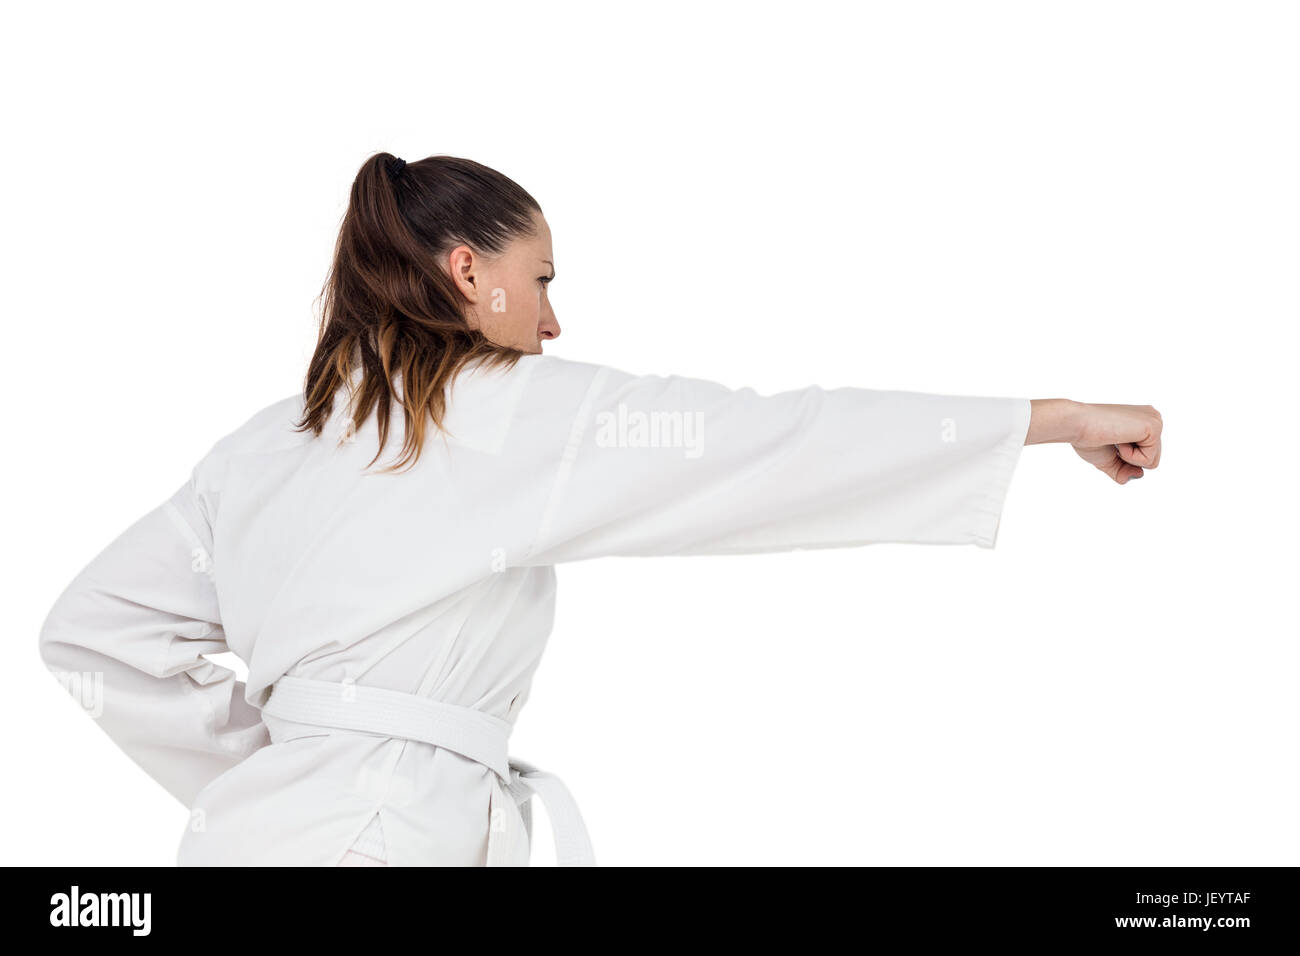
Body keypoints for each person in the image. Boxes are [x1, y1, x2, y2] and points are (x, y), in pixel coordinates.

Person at [37, 153, 1163, 866]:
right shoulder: (507, 412)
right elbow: (772, 441)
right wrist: (1051, 415)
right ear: (471, 270)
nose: (554, 320)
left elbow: (95, 629)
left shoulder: (268, 443)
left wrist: (272, 768)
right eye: (543, 279)